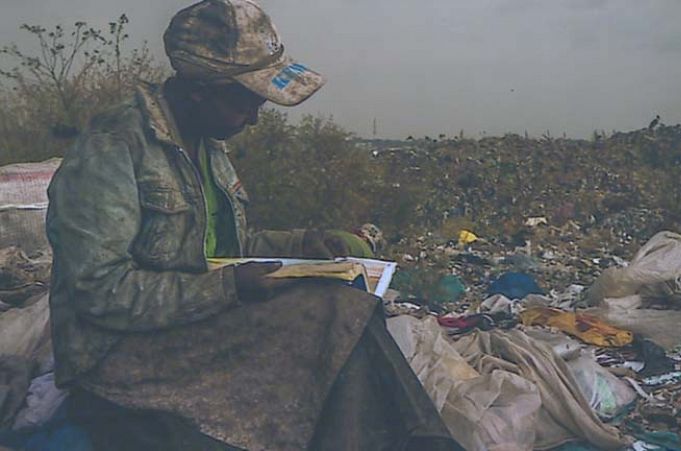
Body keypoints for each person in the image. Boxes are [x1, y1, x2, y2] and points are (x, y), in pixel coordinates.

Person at [45, 0, 462, 449]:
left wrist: (304, 243)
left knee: (344, 303)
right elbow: (99, 292)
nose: (254, 116)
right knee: (331, 315)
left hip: (188, 323)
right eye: (246, 101)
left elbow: (226, 244)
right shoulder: (114, 146)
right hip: (116, 357)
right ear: (201, 90)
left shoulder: (207, 144)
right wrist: (228, 289)